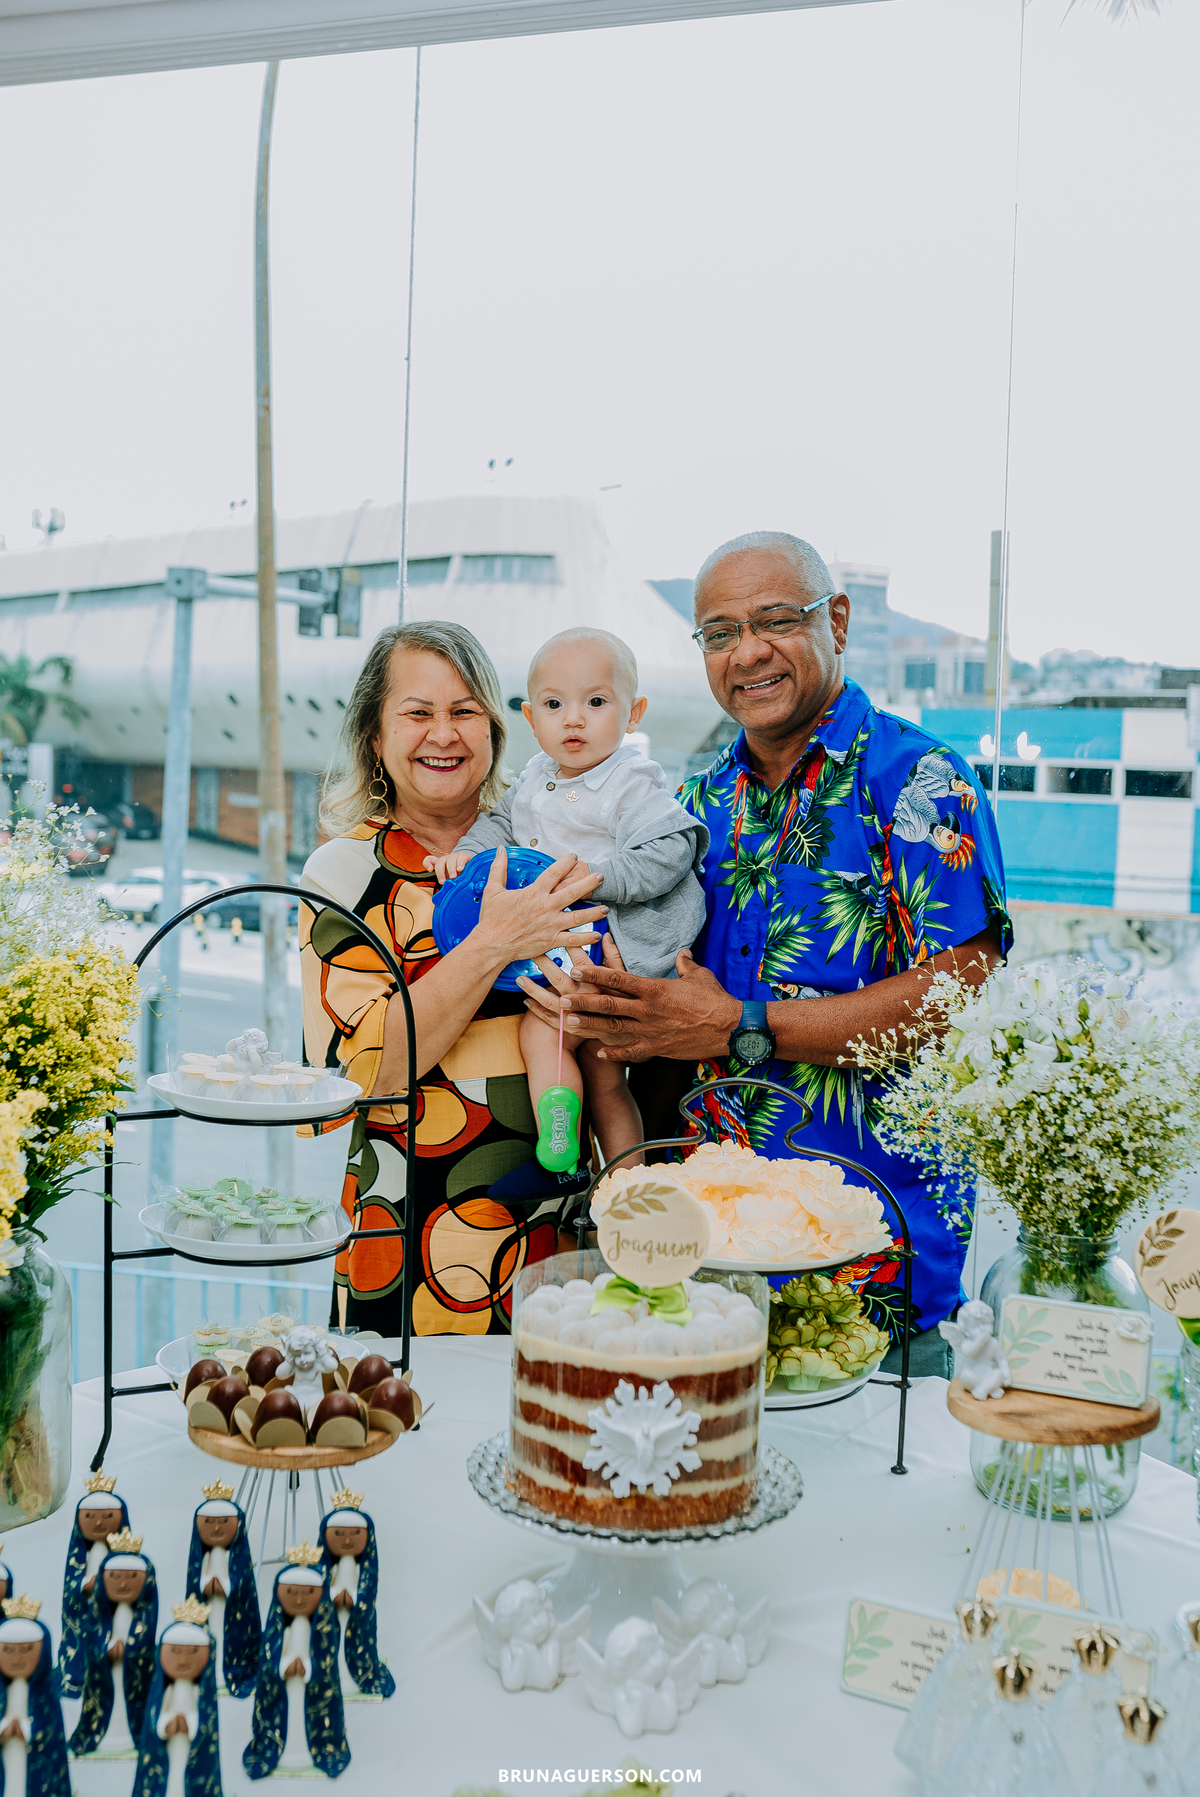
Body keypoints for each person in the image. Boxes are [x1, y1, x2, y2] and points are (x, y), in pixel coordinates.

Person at [519, 531, 1012, 1374]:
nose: (747, 652)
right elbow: (674, 1017)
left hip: (873, 1275)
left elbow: (959, 993)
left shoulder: (920, 781)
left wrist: (740, 1024)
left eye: (776, 620)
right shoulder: (695, 806)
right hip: (705, 1272)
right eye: (720, 633)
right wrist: (610, 1012)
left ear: (837, 621)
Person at [300, 620, 608, 1336]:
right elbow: (365, 1072)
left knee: (554, 1401)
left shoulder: (551, 846)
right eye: (418, 713)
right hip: (409, 1223)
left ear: (495, 730)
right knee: (405, 1406)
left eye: (464, 711)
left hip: (562, 1222)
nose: (444, 734)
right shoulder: (343, 873)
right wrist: (496, 940)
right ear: (374, 736)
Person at [428, 627, 707, 1185]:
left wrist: (593, 879)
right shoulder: (534, 777)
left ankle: (622, 1178)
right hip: (563, 950)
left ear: (633, 714)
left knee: (568, 1043)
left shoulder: (630, 781)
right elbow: (499, 825)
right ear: (532, 720)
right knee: (570, 1050)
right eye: (554, 706)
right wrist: (468, 853)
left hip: (617, 945)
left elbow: (671, 850)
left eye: (596, 702)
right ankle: (573, 1141)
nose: (573, 719)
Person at [243, 1558, 347, 1781]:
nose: (299, 1600)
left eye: (308, 1592)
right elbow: (270, 1657)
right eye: (291, 1592)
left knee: (304, 1719)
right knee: (288, 1717)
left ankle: (310, 1748)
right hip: (286, 1685)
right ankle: (283, 1747)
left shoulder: (319, 1630)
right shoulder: (283, 1630)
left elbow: (325, 1661)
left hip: (309, 1689)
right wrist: (284, 1667)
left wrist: (307, 1668)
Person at [132, 1602, 222, 1797]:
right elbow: (157, 1716)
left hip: (190, 1742)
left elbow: (205, 1719)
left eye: (193, 1652)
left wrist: (190, 1724)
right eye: (175, 1651)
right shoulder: (167, 1691)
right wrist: (166, 1725)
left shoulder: (199, 1692)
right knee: (171, 1774)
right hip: (170, 1741)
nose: (183, 1660)